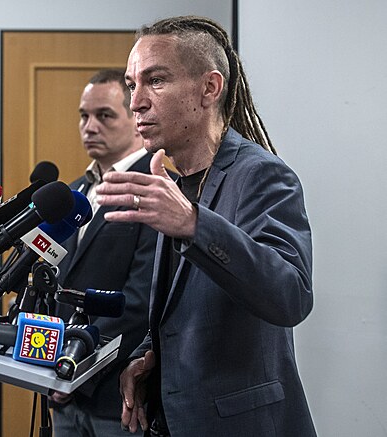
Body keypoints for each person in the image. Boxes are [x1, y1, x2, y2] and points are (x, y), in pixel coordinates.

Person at [94, 16, 316, 436]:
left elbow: (291, 296)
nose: (136, 102)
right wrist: (148, 355)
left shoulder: (262, 175)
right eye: (132, 84)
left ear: (209, 88)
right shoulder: (175, 183)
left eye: (155, 81)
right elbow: (186, 306)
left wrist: (194, 224)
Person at [49, 69, 170, 436]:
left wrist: (75, 361)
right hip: (61, 390)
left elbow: (140, 300)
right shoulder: (72, 193)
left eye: (104, 115)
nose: (90, 127)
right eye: (84, 116)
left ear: (135, 120)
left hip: (117, 396)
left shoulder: (157, 190)